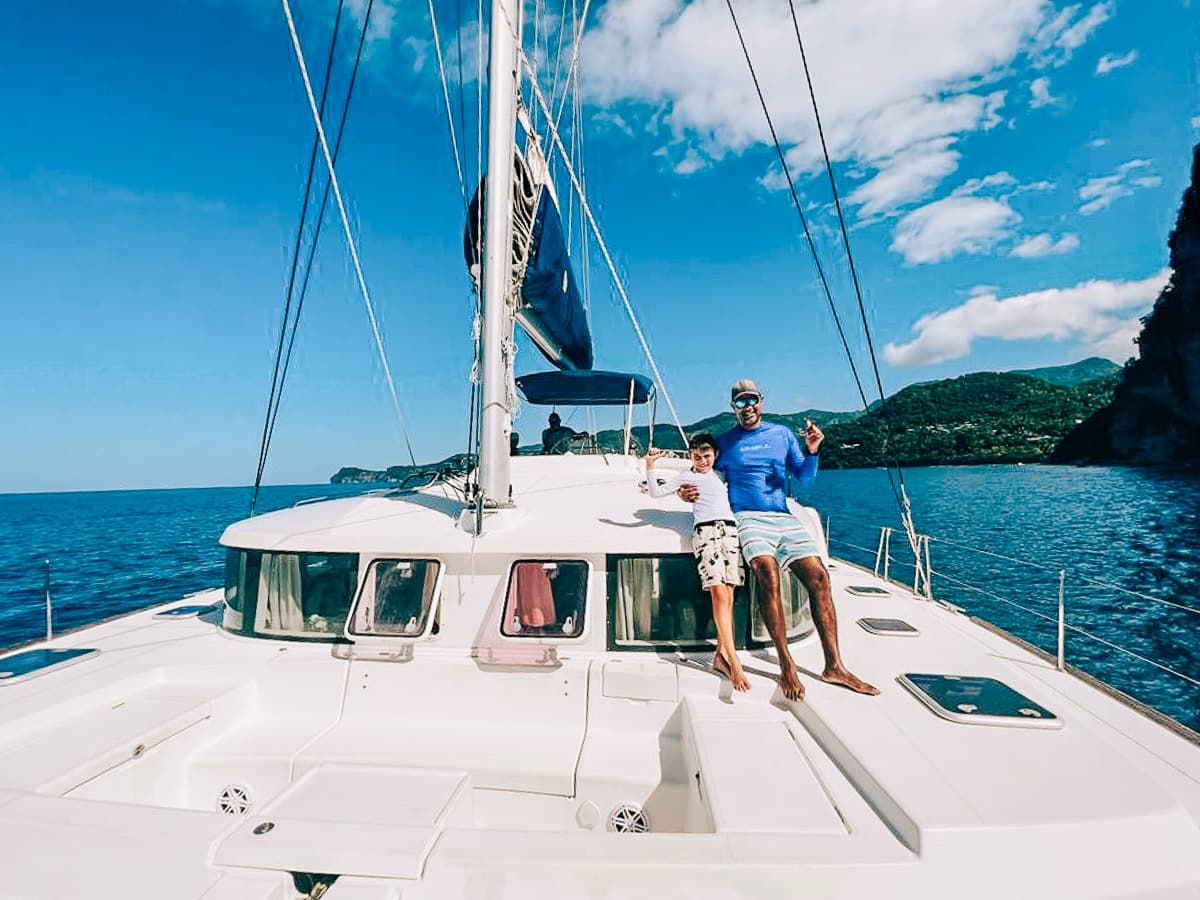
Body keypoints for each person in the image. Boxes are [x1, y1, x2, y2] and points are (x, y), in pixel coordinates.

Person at [680, 379, 878, 701]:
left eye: (752, 400)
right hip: (747, 517)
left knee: (820, 577)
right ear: (733, 408)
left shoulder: (782, 435)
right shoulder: (725, 442)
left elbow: (805, 478)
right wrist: (684, 491)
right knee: (767, 574)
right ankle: (787, 664)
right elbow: (699, 470)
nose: (747, 408)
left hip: (783, 517)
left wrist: (812, 450)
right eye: (740, 403)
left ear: (761, 401)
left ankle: (835, 665)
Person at [645, 433, 750, 691]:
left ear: (714, 455)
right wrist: (650, 465)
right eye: (696, 456)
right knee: (718, 594)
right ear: (690, 455)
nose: (701, 461)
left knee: (729, 594)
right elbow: (656, 492)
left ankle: (720, 656)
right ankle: (734, 661)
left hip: (730, 533)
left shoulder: (723, 475)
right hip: (706, 532)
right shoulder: (686, 477)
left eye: (706, 456)